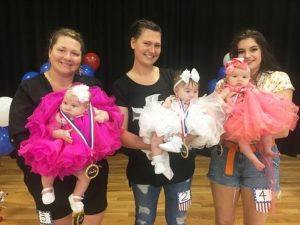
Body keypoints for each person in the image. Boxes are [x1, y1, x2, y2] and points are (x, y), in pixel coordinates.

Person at [9, 28, 122, 225]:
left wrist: (105, 119)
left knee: (92, 219)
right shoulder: (30, 88)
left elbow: (109, 120)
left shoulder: (91, 85)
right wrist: (56, 155)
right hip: (49, 175)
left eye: (75, 53)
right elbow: (20, 135)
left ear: (81, 58)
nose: (68, 57)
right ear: (50, 51)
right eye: (62, 50)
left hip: (88, 172)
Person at [207, 29, 298, 225]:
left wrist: (240, 132)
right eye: (241, 51)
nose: (247, 55)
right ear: (234, 56)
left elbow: (282, 128)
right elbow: (213, 122)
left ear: (262, 50)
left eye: (253, 49)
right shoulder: (224, 83)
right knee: (222, 222)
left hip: (261, 160)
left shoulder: (278, 79)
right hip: (225, 157)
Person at [112, 19, 195, 225]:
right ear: (133, 43)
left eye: (157, 45)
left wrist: (185, 138)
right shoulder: (121, 86)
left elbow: (194, 115)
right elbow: (121, 134)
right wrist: (157, 146)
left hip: (181, 169)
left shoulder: (172, 78)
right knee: (144, 219)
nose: (152, 50)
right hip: (143, 170)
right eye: (147, 43)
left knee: (179, 220)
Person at [18, 84, 123, 213]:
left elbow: (106, 114)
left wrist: (103, 117)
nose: (67, 107)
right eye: (65, 102)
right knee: (48, 168)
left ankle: (76, 197)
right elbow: (50, 130)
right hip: (61, 151)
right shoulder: (60, 116)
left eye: (74, 106)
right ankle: (47, 189)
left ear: (85, 106)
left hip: (82, 152)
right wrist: (60, 133)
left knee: (85, 176)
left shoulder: (91, 110)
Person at [135, 68, 226, 175]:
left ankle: (177, 143)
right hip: (171, 125)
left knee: (197, 127)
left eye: (195, 91)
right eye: (187, 91)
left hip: (187, 128)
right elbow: (161, 112)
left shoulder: (197, 104)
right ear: (176, 91)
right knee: (157, 135)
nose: (192, 94)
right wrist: (165, 106)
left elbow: (210, 112)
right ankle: (158, 161)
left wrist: (211, 119)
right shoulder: (172, 100)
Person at [219, 57, 298, 171]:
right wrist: (225, 106)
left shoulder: (250, 87)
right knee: (242, 139)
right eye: (235, 76)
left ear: (249, 78)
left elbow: (261, 96)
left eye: (244, 77)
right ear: (227, 78)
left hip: (253, 116)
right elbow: (219, 99)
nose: (239, 79)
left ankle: (267, 149)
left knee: (266, 129)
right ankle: (253, 159)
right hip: (237, 121)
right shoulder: (229, 89)